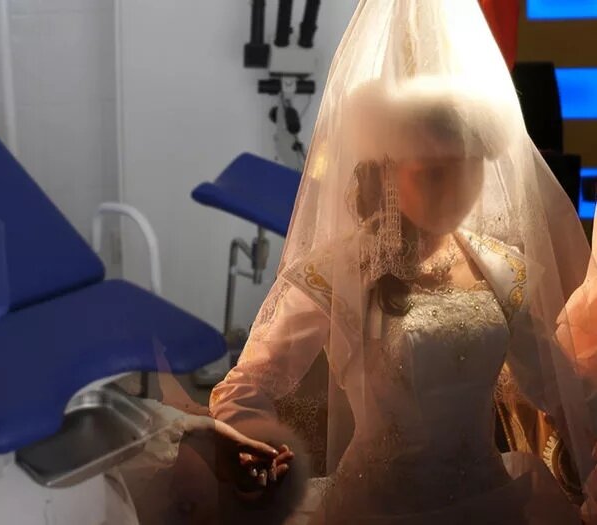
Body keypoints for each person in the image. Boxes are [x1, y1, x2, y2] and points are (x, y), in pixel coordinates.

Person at [208, 1, 597, 523]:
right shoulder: (339, 273)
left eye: (470, 169)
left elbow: (556, 387)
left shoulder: (499, 270)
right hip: (379, 506)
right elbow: (247, 384)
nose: (456, 190)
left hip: (490, 501)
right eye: (433, 173)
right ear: (388, 173)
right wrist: (250, 444)